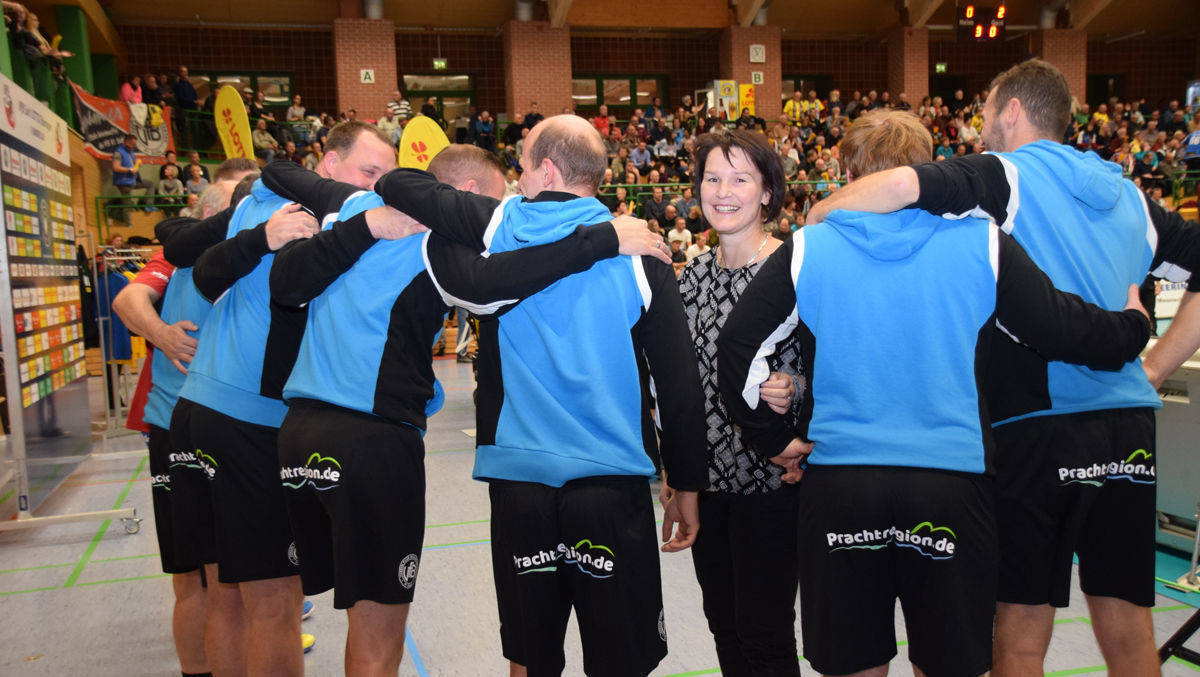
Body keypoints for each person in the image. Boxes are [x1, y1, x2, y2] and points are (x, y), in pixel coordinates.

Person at [718, 108, 1155, 677]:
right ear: (928, 169)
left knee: (855, 663)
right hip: (951, 485)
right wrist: (1134, 325)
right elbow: (1064, 329)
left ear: (848, 171)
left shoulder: (810, 247)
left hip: (844, 485)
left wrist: (774, 439)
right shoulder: (981, 243)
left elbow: (738, 349)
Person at [806, 61, 1200, 675]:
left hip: (1035, 427)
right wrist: (1153, 367)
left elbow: (901, 186)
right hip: (1128, 427)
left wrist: (823, 213)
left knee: (1017, 636)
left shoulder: (1002, 176)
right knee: (1128, 629)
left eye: (987, 104)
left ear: (1012, 110)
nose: (981, 120)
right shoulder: (1128, 194)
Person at [260, 142, 668, 675]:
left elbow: (280, 188)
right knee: (377, 628)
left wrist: (362, 222)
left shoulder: (352, 207)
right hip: (372, 440)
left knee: (275, 603)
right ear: (466, 197)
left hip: (297, 430)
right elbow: (488, 283)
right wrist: (603, 238)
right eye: (501, 207)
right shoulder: (444, 238)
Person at [370, 114, 707, 676]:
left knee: (530, 656)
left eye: (522, 165)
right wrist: (687, 483)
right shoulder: (641, 250)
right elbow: (677, 381)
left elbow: (400, 182)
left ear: (546, 168)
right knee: (621, 658)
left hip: (520, 483)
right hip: (610, 486)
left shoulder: (496, 228)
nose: (518, 178)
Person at [160, 122, 398, 675]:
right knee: (274, 604)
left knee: (226, 595)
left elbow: (193, 255)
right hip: (249, 419)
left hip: (197, 411)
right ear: (330, 166)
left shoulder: (262, 200)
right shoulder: (309, 217)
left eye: (385, 176)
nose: (378, 186)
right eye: (369, 172)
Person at [674, 129, 805, 675]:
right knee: (723, 626)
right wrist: (676, 475)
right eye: (712, 178)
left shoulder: (796, 270)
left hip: (772, 484)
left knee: (766, 635)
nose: (722, 191)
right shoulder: (690, 278)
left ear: (768, 193)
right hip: (709, 487)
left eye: (740, 178)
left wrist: (794, 388)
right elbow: (680, 386)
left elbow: (830, 364)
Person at [111, 134, 141, 225]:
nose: (134, 146)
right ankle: (128, 224)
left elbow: (133, 165)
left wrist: (137, 165)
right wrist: (129, 169)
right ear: (126, 142)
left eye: (135, 144)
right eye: (132, 143)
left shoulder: (130, 152)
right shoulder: (119, 152)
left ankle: (148, 205)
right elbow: (116, 167)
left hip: (132, 180)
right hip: (123, 182)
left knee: (150, 184)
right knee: (127, 203)